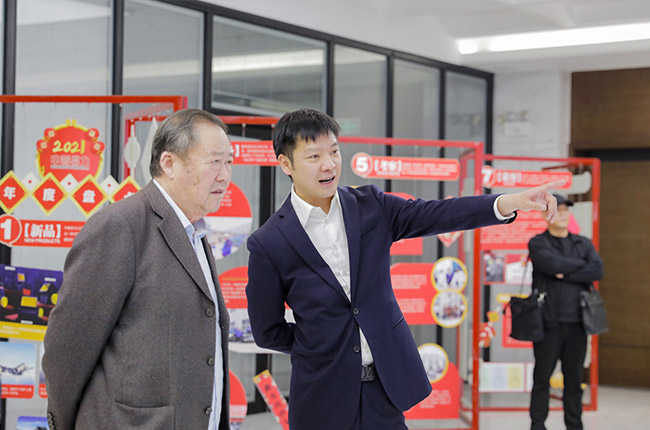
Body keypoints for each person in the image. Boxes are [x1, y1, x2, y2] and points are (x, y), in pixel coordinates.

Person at [245, 108, 565, 430]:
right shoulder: (269, 242)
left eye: (334, 151)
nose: (329, 164)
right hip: (322, 397)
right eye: (314, 156)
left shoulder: (370, 206)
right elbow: (267, 330)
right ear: (286, 164)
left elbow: (439, 213)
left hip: (385, 390)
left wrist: (510, 202)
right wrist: (318, 343)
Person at [42, 108, 233, 430]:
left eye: (229, 162)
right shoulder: (120, 226)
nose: (225, 175)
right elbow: (67, 349)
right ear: (169, 163)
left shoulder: (196, 232)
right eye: (215, 161)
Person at [528, 194, 604, 430]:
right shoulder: (538, 243)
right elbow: (552, 265)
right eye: (557, 209)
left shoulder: (583, 243)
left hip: (578, 324)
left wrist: (563, 272)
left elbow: (597, 270)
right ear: (545, 214)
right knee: (542, 379)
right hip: (547, 323)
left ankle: (574, 425)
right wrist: (578, 266)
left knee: (573, 381)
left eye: (565, 210)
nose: (562, 214)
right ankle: (537, 426)